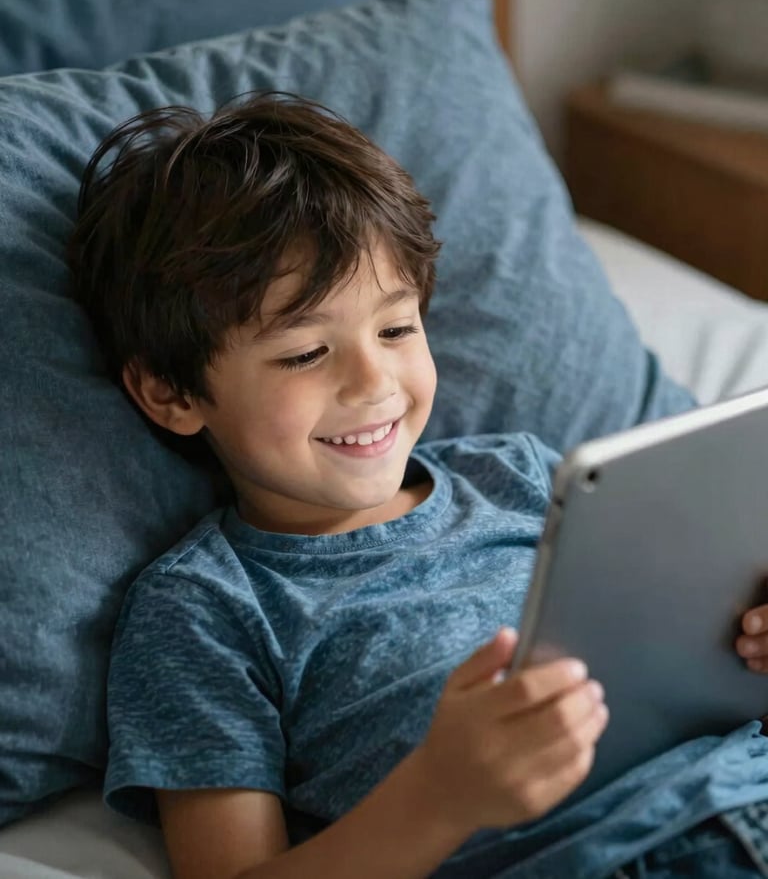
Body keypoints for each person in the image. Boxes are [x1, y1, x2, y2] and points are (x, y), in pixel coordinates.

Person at [68, 91, 768, 879]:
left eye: (396, 329)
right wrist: (441, 796)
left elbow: (678, 638)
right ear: (171, 392)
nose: (375, 383)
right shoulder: (202, 611)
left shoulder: (530, 474)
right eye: (305, 353)